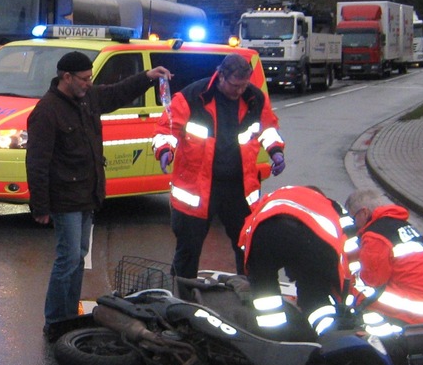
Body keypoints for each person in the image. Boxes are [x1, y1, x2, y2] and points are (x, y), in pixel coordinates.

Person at [27, 49, 172, 339]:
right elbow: (37, 162)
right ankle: (55, 321)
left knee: (78, 257)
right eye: (83, 78)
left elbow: (117, 92)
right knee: (67, 259)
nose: (89, 83)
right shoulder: (46, 111)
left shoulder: (88, 98)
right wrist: (40, 206)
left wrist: (147, 77)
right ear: (65, 77)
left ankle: (69, 316)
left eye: (90, 77)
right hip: (65, 197)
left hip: (86, 194)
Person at [153, 53, 285, 281]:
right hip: (198, 189)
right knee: (188, 249)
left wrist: (276, 150)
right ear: (221, 76)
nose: (239, 91)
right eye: (235, 86)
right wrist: (165, 150)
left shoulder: (255, 98)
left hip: (239, 188)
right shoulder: (193, 96)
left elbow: (268, 128)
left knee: (246, 245)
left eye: (244, 86)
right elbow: (168, 129)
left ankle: (247, 292)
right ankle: (183, 295)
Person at [238, 185, 360, 337]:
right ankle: (329, 337)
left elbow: (247, 235)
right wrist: (344, 295)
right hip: (312, 242)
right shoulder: (333, 206)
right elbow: (349, 248)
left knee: (265, 292)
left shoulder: (274, 197)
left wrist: (254, 271)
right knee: (315, 295)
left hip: (266, 232)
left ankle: (272, 337)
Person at [344, 188, 423, 330]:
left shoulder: (375, 236)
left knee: (363, 295)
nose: (354, 224)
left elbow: (373, 282)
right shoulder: (403, 226)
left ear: (364, 212)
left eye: (353, 218)